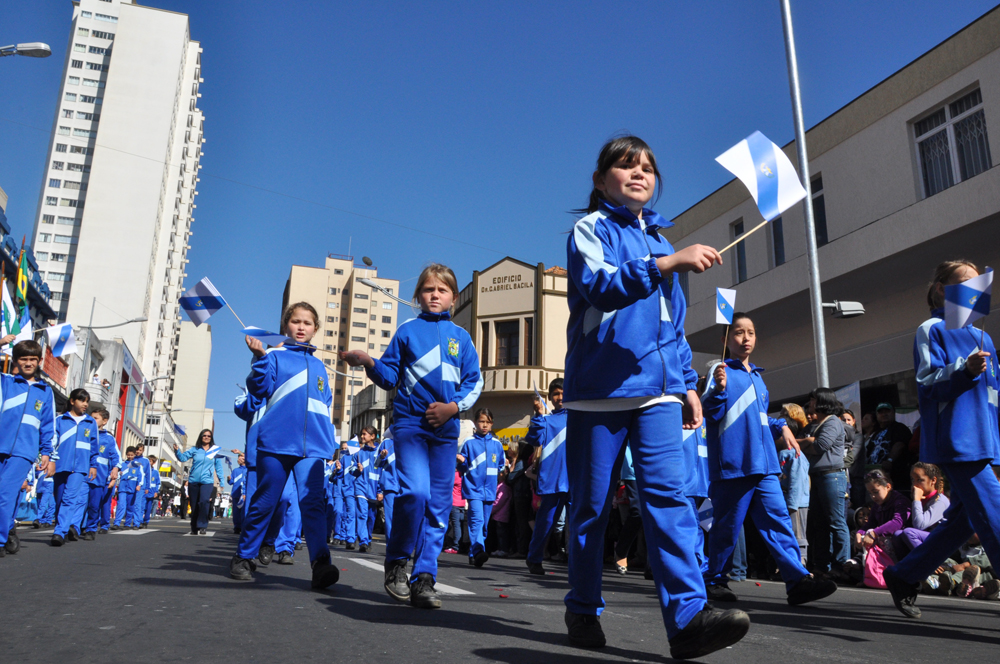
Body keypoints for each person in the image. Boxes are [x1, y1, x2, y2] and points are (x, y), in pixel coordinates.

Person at [562, 135, 748, 658]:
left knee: (670, 499)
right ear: (601, 182)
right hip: (599, 392)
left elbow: (673, 326)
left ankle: (688, 618)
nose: (639, 173)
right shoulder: (590, 230)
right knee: (590, 510)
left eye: (647, 167)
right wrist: (666, 265)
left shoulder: (665, 242)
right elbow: (600, 286)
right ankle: (581, 606)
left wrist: (688, 382)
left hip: (660, 393)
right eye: (625, 166)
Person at [342, 263, 483, 609]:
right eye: (428, 289)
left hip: (446, 431)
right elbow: (390, 376)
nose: (435, 295)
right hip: (410, 425)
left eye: (442, 290)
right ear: (418, 295)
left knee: (438, 505)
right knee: (415, 493)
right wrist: (369, 363)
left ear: (453, 296)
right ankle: (397, 562)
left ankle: (425, 577)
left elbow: (475, 381)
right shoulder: (407, 331)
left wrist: (453, 408)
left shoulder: (461, 337)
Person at [885, 260, 1000, 618]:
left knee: (966, 521)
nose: (974, 290)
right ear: (941, 289)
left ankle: (904, 575)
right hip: (958, 442)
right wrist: (963, 370)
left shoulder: (985, 337)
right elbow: (927, 383)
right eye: (965, 283)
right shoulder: (931, 329)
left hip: (986, 443)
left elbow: (995, 396)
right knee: (995, 517)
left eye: (977, 284)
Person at [702, 313, 837, 607]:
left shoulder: (758, 377)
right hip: (734, 465)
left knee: (778, 522)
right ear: (726, 340)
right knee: (726, 527)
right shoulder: (719, 371)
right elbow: (709, 414)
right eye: (738, 332)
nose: (746, 337)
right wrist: (717, 391)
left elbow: (758, 417)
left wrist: (781, 425)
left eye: (750, 332)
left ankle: (797, 580)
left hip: (764, 465)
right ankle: (713, 580)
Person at [229, 301, 341, 590]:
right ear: (285, 326)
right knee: (267, 501)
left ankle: (321, 564)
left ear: (315, 329)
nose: (301, 327)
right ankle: (244, 556)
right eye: (295, 322)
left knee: (313, 504)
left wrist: (328, 443)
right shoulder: (274, 357)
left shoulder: (320, 367)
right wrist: (259, 359)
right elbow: (259, 391)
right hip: (276, 444)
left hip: (313, 449)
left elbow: (325, 406)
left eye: (307, 323)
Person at [0, 340, 55, 557]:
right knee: (8, 495)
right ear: (15, 360)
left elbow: (48, 426)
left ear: (40, 361)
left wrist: (47, 453)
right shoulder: (5, 382)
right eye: (24, 359)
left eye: (33, 359)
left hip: (24, 452)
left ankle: (1, 539)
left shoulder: (45, 392)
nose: (28, 363)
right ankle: (9, 530)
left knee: (5, 493)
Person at [800, 388, 851, 580]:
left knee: (836, 521)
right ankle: (821, 565)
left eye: (813, 400)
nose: (810, 404)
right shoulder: (822, 423)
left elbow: (820, 446)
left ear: (821, 402)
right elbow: (815, 444)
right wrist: (809, 441)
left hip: (832, 477)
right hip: (820, 476)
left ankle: (842, 565)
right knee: (819, 523)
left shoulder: (832, 422)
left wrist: (804, 442)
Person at [523, 380, 568, 575]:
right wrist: (538, 416)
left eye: (563, 393)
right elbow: (533, 439)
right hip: (552, 480)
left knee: (577, 524)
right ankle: (534, 558)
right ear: (550, 397)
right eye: (556, 394)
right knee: (545, 523)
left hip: (575, 480)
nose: (560, 397)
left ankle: (579, 563)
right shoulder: (546, 420)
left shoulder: (579, 417)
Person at [49, 388, 100, 546]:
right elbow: (52, 443)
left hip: (80, 467)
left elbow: (94, 445)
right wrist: (50, 460)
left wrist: (93, 464)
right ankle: (62, 527)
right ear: (72, 401)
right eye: (82, 400)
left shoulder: (90, 422)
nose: (85, 404)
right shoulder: (60, 420)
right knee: (59, 499)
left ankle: (59, 532)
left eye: (87, 401)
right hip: (60, 465)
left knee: (70, 499)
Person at [457, 408, 505, 568]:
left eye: (487, 422)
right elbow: (462, 467)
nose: (484, 425)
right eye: (481, 421)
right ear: (476, 423)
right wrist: (461, 461)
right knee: (477, 520)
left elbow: (500, 466)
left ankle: (474, 553)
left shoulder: (497, 445)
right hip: (473, 489)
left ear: (492, 424)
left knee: (484, 525)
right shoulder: (469, 442)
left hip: (490, 490)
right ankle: (479, 551)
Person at [174, 430, 226, 535]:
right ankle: (194, 527)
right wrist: (177, 451)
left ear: (211, 438)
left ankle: (202, 525)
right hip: (193, 480)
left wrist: (222, 481)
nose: (206, 437)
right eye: (204, 435)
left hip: (207, 481)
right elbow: (183, 458)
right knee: (194, 505)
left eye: (209, 436)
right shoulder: (195, 449)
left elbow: (218, 467)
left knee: (204, 502)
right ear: (201, 437)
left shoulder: (214, 450)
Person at [894, 462, 949, 555]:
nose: (915, 484)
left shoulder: (940, 501)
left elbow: (919, 525)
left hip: (942, 542)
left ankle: (929, 561)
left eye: (919, 480)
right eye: (913, 480)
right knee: (897, 534)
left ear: (933, 480)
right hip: (928, 539)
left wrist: (916, 500)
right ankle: (907, 565)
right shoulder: (923, 498)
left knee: (909, 533)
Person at [779, 403, 810, 565]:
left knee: (798, 533)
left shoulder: (795, 454)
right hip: (786, 501)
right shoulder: (782, 453)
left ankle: (801, 561)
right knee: (788, 532)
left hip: (796, 503)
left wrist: (792, 504)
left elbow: (797, 482)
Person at [84, 407, 121, 537]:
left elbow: (116, 458)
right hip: (83, 474)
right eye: (91, 417)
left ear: (104, 421)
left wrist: (114, 473)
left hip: (101, 477)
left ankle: (97, 526)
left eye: (96, 418)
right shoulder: (86, 432)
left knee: (99, 504)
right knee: (81, 503)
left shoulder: (109, 439)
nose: (92, 420)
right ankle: (77, 527)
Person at [866, 403, 914, 493]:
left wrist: (890, 460)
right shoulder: (875, 433)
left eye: (887, 411)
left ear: (893, 413)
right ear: (876, 416)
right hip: (876, 479)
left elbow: (900, 445)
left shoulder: (900, 428)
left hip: (896, 477)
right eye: (881, 412)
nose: (884, 414)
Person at [350, 427, 380, 553]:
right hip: (360, 487)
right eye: (361, 434)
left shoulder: (379, 452)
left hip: (374, 489)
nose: (362, 437)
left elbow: (382, 472)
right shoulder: (358, 453)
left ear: (372, 436)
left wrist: (381, 491)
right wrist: (358, 470)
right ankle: (363, 541)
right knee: (362, 514)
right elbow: (351, 470)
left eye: (364, 434)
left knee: (371, 517)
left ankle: (367, 537)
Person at [375, 429, 399, 541]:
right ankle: (391, 546)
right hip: (390, 485)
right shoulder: (386, 442)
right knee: (390, 518)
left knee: (404, 518)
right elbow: (376, 465)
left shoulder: (412, 440)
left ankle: (402, 546)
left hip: (407, 486)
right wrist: (382, 457)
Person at [112, 448, 140, 530]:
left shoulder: (137, 465)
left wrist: (139, 485)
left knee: (130, 507)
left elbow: (140, 477)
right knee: (121, 505)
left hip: (132, 489)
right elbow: (117, 475)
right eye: (128, 455)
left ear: (135, 455)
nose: (130, 456)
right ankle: (116, 523)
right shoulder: (122, 464)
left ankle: (127, 523)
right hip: (122, 488)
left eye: (132, 455)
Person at [228, 453, 247, 534]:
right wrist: (229, 479)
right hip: (236, 493)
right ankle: (237, 527)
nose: (240, 458)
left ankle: (244, 527)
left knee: (244, 511)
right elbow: (231, 482)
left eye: (242, 457)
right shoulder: (235, 470)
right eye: (239, 457)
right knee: (236, 512)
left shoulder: (249, 470)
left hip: (245, 494)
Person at [142, 454, 161, 526]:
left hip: (151, 493)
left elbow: (158, 483)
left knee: (148, 508)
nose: (148, 463)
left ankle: (146, 521)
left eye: (150, 461)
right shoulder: (144, 470)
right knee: (142, 507)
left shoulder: (155, 472)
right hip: (143, 491)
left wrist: (156, 491)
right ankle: (140, 520)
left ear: (153, 462)